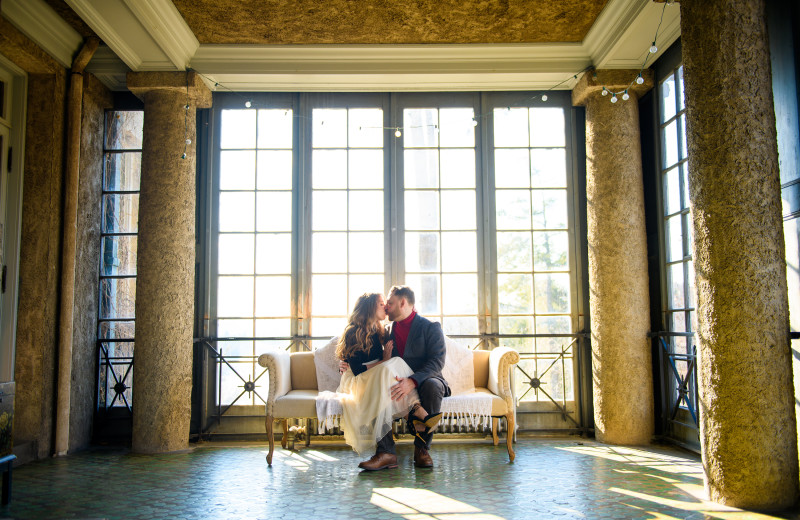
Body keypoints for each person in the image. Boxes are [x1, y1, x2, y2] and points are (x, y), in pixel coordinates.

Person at [336, 292, 441, 466]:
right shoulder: (353, 332)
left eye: (387, 303)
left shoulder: (381, 331)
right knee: (388, 368)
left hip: (377, 376)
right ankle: (415, 414)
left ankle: (390, 450)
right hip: (358, 379)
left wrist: (386, 363)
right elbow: (357, 369)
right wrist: (381, 361)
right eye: (381, 304)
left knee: (390, 370)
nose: (385, 307)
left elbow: (410, 325)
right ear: (370, 307)